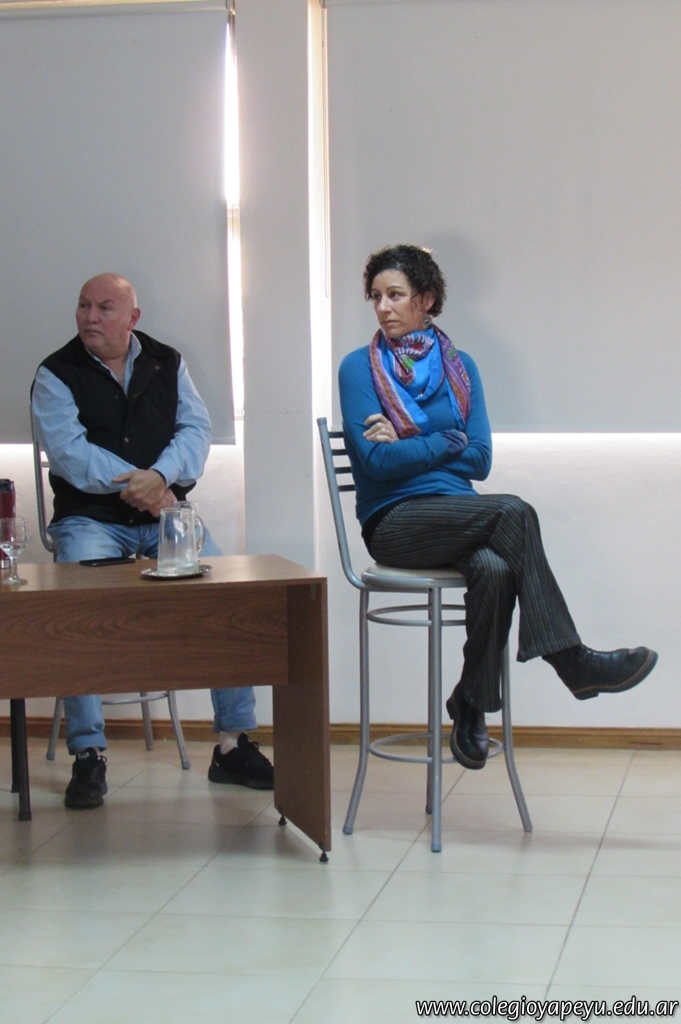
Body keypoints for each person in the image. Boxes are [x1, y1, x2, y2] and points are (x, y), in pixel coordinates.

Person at [339, 244, 658, 770]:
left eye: (395, 295)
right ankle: (570, 659)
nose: (383, 307)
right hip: (395, 521)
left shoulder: (460, 369)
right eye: (375, 296)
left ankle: (470, 701)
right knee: (513, 511)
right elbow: (377, 463)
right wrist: (446, 440)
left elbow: (481, 458)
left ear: (426, 300)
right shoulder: (359, 369)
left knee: (495, 568)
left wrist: (410, 438)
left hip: (459, 515)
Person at [31, 273, 273, 807]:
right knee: (77, 608)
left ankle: (233, 744)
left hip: (166, 513)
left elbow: (196, 431)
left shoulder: (167, 362)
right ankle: (88, 754)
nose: (90, 317)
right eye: (83, 306)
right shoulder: (55, 372)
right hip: (91, 519)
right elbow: (70, 454)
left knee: (229, 594)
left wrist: (161, 477)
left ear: (132, 318)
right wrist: (143, 486)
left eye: (104, 307)